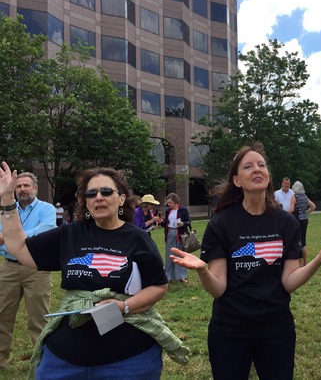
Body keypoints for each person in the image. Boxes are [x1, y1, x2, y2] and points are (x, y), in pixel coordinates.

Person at [169, 142, 321, 380]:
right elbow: (218, 290)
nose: (257, 169)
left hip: (276, 328)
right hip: (230, 330)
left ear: (269, 176)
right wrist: (202, 271)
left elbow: (289, 281)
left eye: (261, 165)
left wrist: (320, 258)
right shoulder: (222, 223)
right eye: (248, 166)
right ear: (237, 180)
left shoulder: (286, 223)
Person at [0, 162, 189, 379]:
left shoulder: (137, 238)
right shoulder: (70, 233)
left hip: (129, 361)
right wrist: (7, 199)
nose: (98, 196)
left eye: (106, 191)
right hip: (64, 360)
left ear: (121, 199)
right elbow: (19, 248)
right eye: (91, 193)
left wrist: (124, 306)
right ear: (85, 202)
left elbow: (158, 286)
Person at [0, 172, 56, 370]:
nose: (22, 189)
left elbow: (45, 231)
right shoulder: (5, 210)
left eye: (26, 185)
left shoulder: (47, 209)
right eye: (18, 186)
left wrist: (10, 236)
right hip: (8, 267)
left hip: (37, 268)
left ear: (35, 188)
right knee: (2, 315)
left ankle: (42, 363)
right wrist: (12, 238)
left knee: (39, 318)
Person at [163, 193, 190, 283]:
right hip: (170, 232)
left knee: (180, 254)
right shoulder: (168, 211)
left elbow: (188, 222)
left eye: (170, 202)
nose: (169, 204)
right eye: (168, 203)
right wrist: (160, 222)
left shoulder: (183, 210)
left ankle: (181, 276)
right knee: (169, 254)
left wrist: (183, 224)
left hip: (180, 234)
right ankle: (168, 276)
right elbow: (166, 222)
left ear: (175, 202)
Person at [291, 181, 316, 266]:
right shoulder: (305, 197)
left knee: (297, 240)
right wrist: (305, 213)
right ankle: (305, 262)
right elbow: (313, 206)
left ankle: (299, 262)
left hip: (297, 219)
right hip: (304, 219)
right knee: (303, 241)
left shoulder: (294, 196)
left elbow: (291, 209)